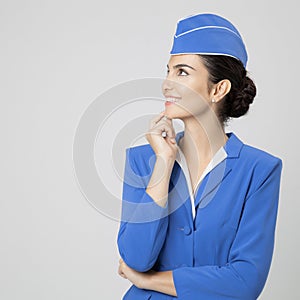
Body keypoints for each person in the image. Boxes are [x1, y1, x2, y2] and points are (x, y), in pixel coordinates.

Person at [117, 13, 283, 299]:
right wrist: (164, 163)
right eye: (168, 71)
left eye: (181, 72)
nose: (167, 84)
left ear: (218, 89)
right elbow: (136, 258)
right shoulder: (142, 160)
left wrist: (149, 281)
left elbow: (245, 283)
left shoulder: (260, 171)